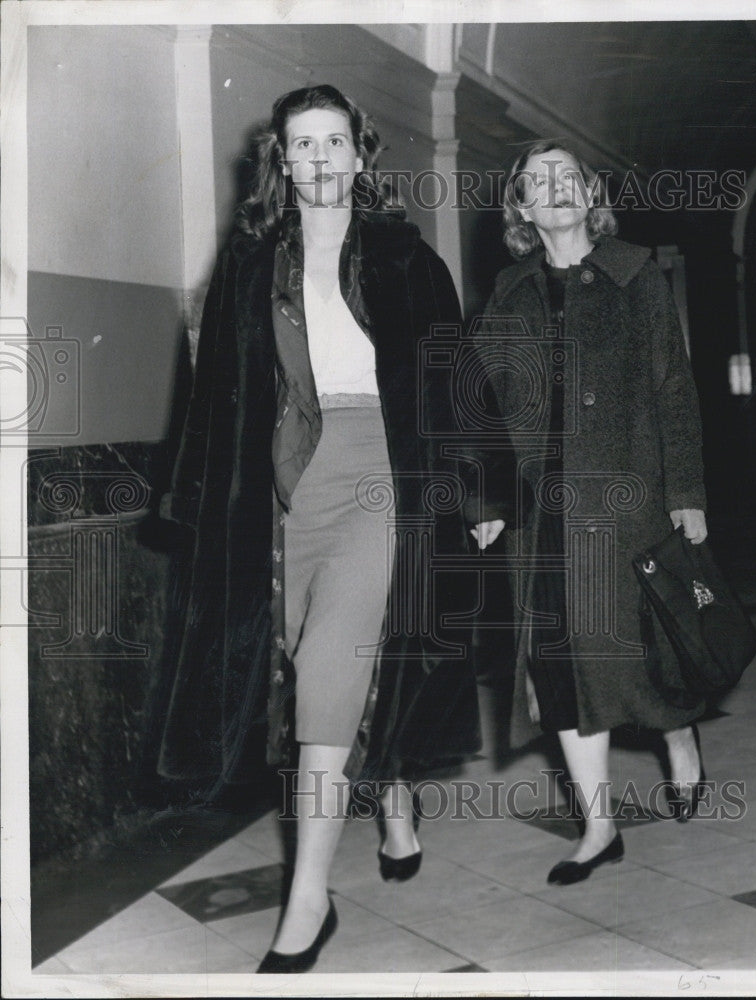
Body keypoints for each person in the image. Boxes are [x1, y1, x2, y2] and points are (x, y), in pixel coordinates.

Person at [157, 84, 504, 972]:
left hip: (378, 475)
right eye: (300, 145)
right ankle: (389, 790)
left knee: (328, 667)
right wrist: (196, 501)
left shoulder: (403, 257)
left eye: (333, 142)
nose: (318, 159)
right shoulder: (248, 263)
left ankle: (307, 900)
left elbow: (453, 374)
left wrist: (482, 487)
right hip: (282, 488)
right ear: (283, 158)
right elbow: (216, 396)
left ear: (360, 154)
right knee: (309, 660)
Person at [481, 139, 708, 885]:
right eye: (537, 182)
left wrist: (686, 494)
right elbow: (480, 404)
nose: (556, 190)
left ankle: (678, 734)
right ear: (520, 206)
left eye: (568, 177)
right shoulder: (509, 292)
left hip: (625, 495)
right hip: (540, 511)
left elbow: (672, 387)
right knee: (561, 667)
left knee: (641, 650)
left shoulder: (635, 272)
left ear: (589, 193)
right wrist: (484, 500)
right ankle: (599, 826)